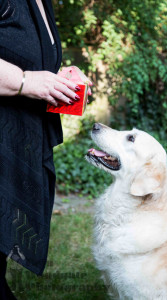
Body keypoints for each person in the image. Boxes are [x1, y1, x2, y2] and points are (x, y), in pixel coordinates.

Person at [0, 0, 92, 299]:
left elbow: (25, 55)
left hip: (16, 144)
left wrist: (58, 80)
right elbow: (25, 76)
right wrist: (25, 81)